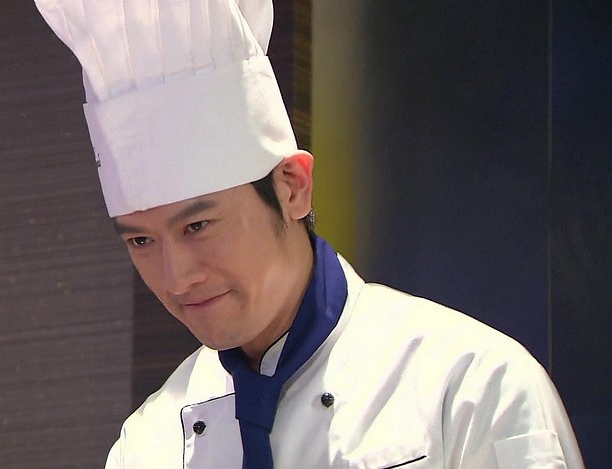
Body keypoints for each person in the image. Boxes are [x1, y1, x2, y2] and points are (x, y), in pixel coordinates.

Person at [34, 0, 584, 467]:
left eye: (198, 226)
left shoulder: (468, 387)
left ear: (292, 187)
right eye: (141, 241)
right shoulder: (148, 446)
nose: (176, 278)